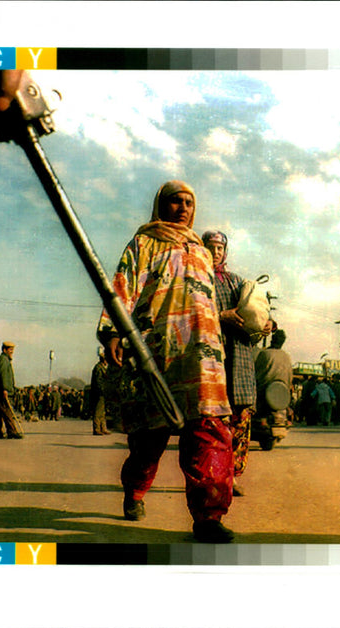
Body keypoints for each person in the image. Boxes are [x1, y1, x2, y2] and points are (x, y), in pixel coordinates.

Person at [97, 180, 235, 543]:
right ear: (161, 205)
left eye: (189, 202)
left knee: (209, 433)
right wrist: (113, 332)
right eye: (175, 201)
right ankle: (135, 491)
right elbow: (122, 286)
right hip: (156, 350)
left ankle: (208, 517)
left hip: (202, 357)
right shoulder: (143, 243)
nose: (184, 207)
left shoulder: (203, 252)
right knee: (148, 435)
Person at [202, 230, 270, 497]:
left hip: (241, 358)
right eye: (211, 247)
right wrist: (220, 316)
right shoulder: (196, 281)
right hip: (212, 359)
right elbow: (191, 314)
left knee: (240, 422)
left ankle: (232, 476)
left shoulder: (237, 282)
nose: (216, 252)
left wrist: (266, 324)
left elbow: (257, 309)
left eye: (220, 248)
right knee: (214, 425)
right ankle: (213, 478)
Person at [253, 329, 293, 441]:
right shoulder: (286, 356)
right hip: (282, 393)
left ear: (272, 340)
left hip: (264, 391)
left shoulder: (264, 353)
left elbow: (257, 373)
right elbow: (290, 377)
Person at [0, 341, 24, 439]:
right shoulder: (3, 360)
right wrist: (5, 389)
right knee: (7, 411)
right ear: (5, 350)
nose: (12, 352)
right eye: (10, 350)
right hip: (2, 391)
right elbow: (2, 375)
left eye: (12, 350)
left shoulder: (3, 359)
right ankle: (12, 431)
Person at [89, 351, 111, 435]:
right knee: (98, 412)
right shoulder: (98, 368)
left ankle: (103, 428)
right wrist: (102, 391)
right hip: (99, 393)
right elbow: (98, 382)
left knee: (103, 412)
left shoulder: (101, 367)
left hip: (102, 392)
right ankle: (97, 429)